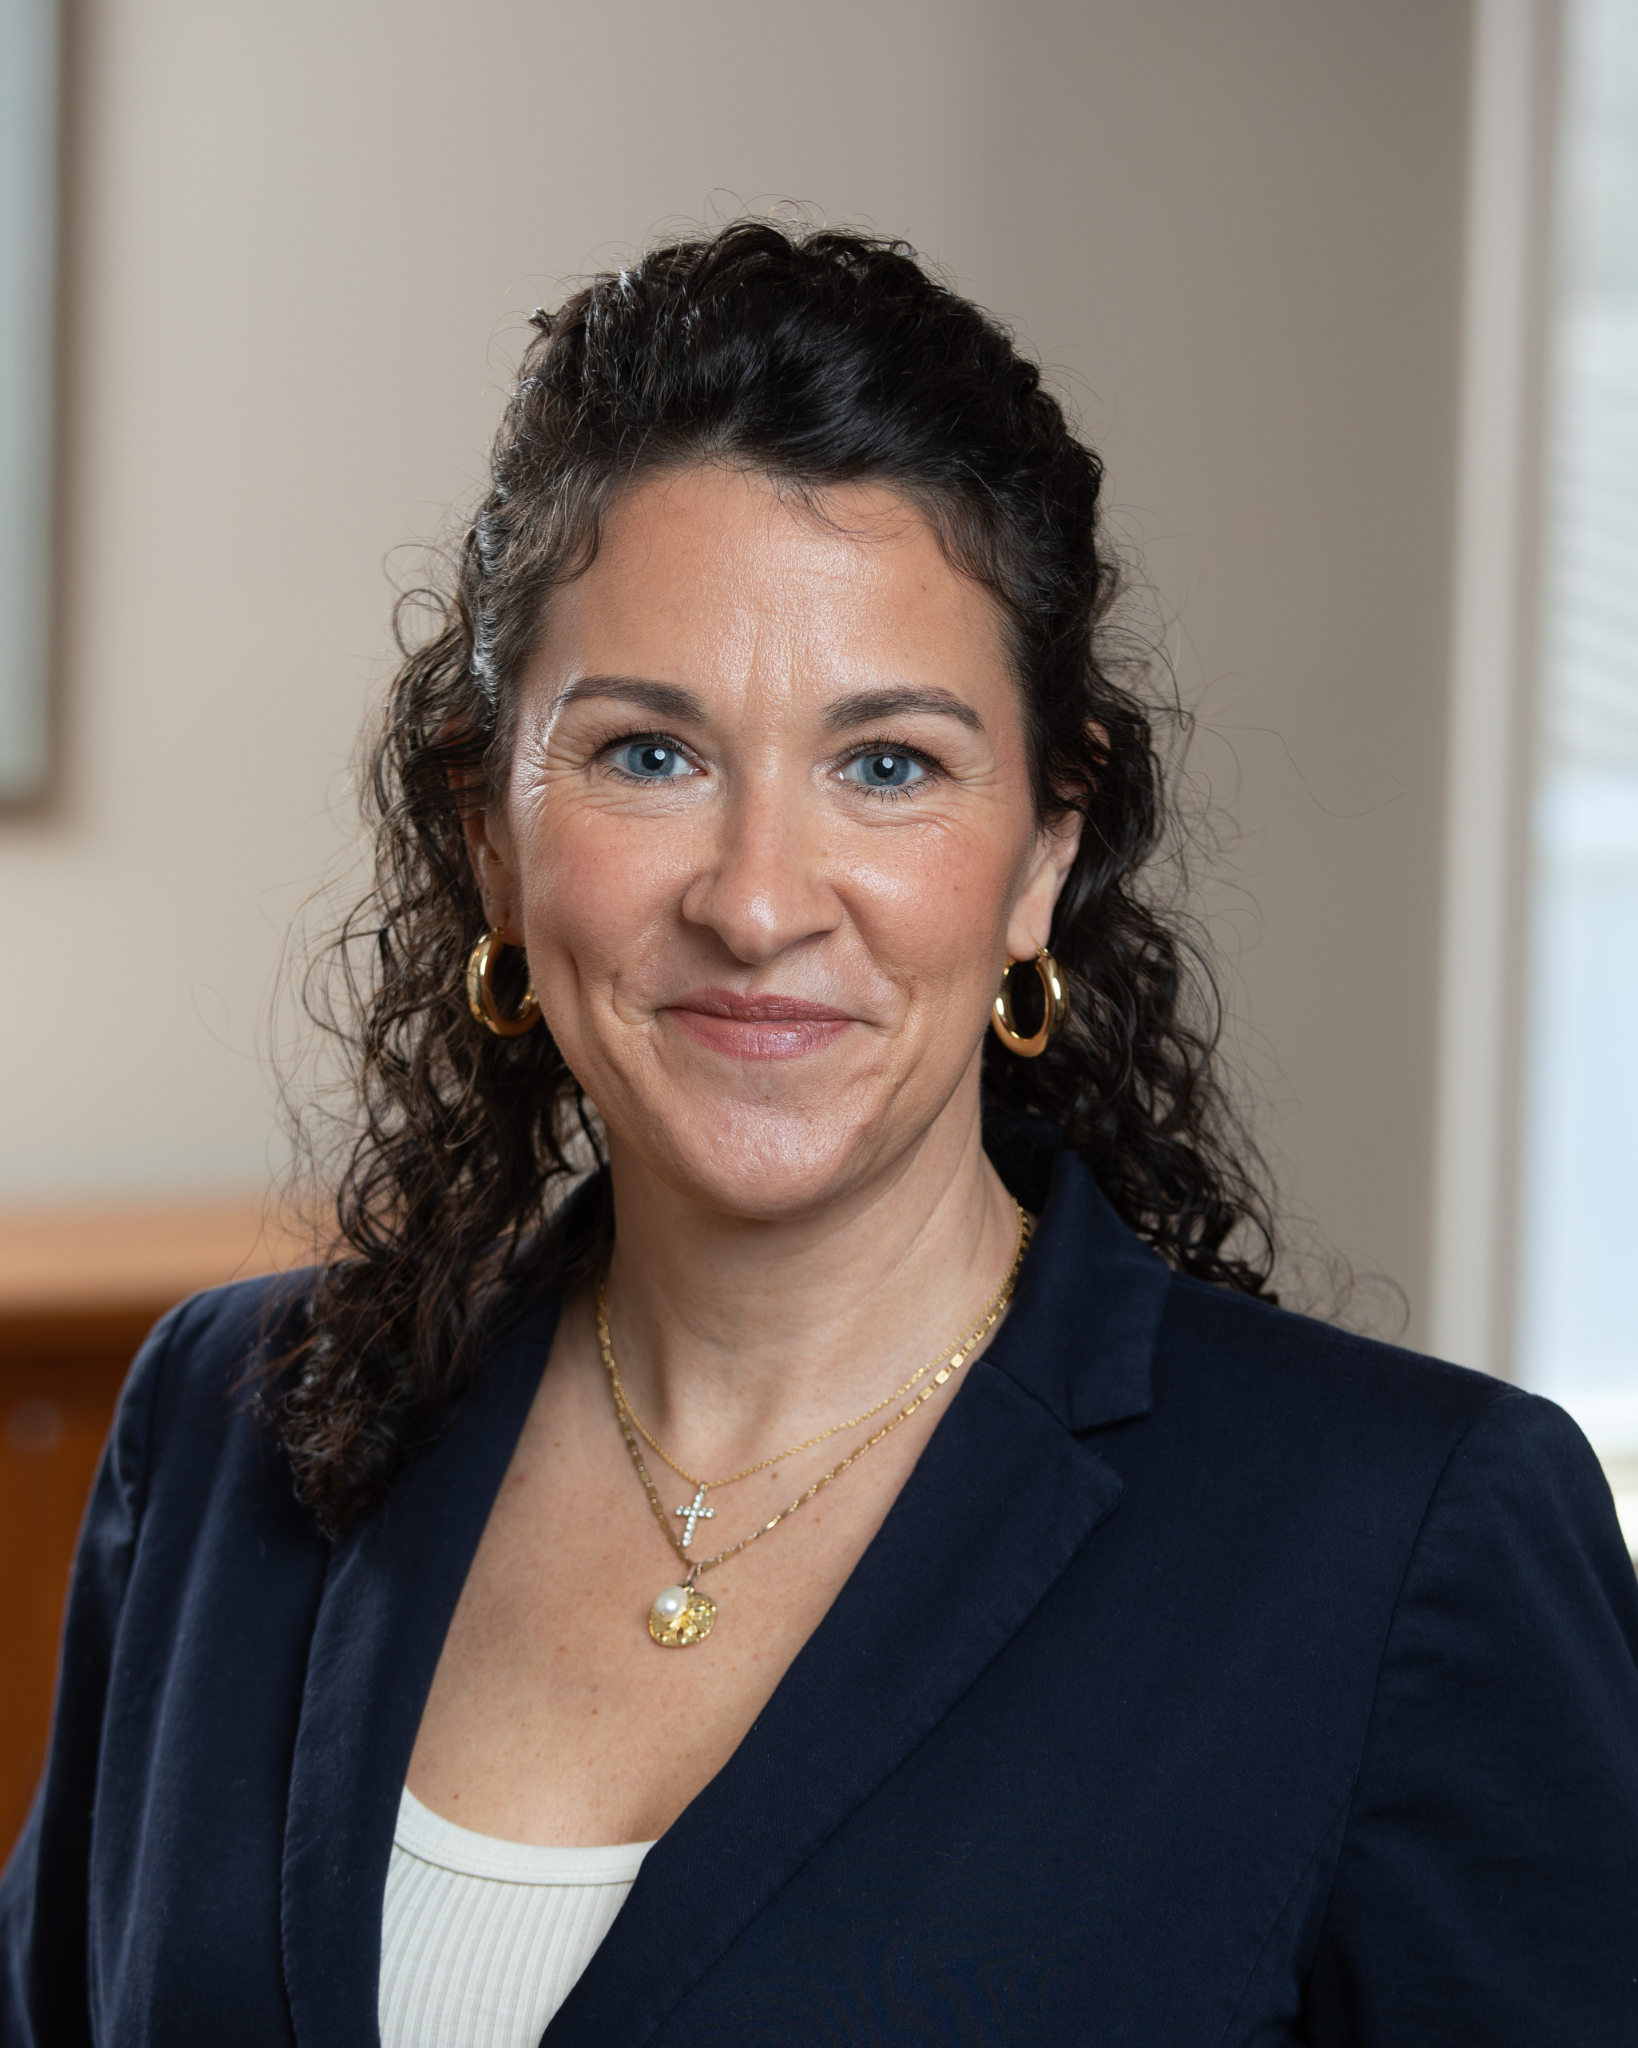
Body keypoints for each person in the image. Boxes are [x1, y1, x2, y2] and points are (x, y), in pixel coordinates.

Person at [3, 223, 1635, 2048]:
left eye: (888, 766)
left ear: (1044, 852)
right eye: (645, 753)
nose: (760, 900)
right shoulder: (229, 1431)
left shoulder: (1403, 1536)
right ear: (487, 832)